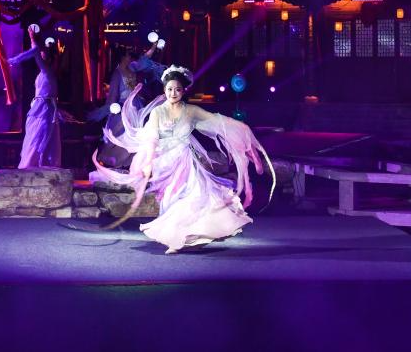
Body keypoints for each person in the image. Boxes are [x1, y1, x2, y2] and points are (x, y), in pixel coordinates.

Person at [92, 64, 275, 254]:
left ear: (183, 90)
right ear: (164, 90)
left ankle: (190, 237)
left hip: (186, 162)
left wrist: (240, 127)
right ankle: (178, 238)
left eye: (177, 89)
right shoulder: (157, 112)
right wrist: (147, 163)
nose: (173, 93)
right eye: (170, 89)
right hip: (165, 163)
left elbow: (216, 121)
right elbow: (152, 138)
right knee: (170, 201)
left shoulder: (191, 111)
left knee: (194, 197)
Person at [88, 42, 166, 171]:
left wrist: (153, 46)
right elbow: (113, 94)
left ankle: (130, 162)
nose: (130, 57)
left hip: (136, 105)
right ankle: (113, 160)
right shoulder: (117, 74)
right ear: (123, 57)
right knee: (122, 133)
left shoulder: (132, 68)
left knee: (136, 133)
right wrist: (112, 110)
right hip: (123, 107)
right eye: (128, 55)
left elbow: (145, 59)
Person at [9, 26, 62, 168]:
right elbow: (36, 52)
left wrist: (15, 59)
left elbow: (36, 53)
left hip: (44, 108)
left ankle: (36, 163)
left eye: (44, 54)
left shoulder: (47, 71)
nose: (41, 55)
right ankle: (35, 163)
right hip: (40, 107)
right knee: (35, 134)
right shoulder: (44, 72)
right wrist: (32, 39)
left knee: (39, 135)